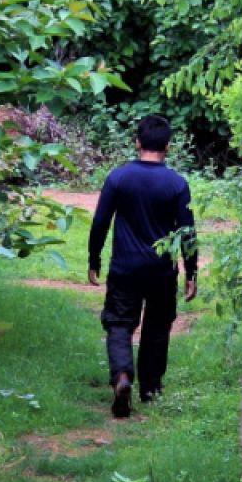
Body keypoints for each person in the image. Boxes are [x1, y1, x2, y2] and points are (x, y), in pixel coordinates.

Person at [88, 115, 199, 418]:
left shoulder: (118, 178)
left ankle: (122, 376)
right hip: (162, 270)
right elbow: (187, 232)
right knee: (157, 327)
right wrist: (192, 272)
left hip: (125, 268)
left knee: (120, 324)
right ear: (168, 146)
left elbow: (100, 222)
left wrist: (93, 259)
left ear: (137, 142)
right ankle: (150, 389)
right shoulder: (177, 184)